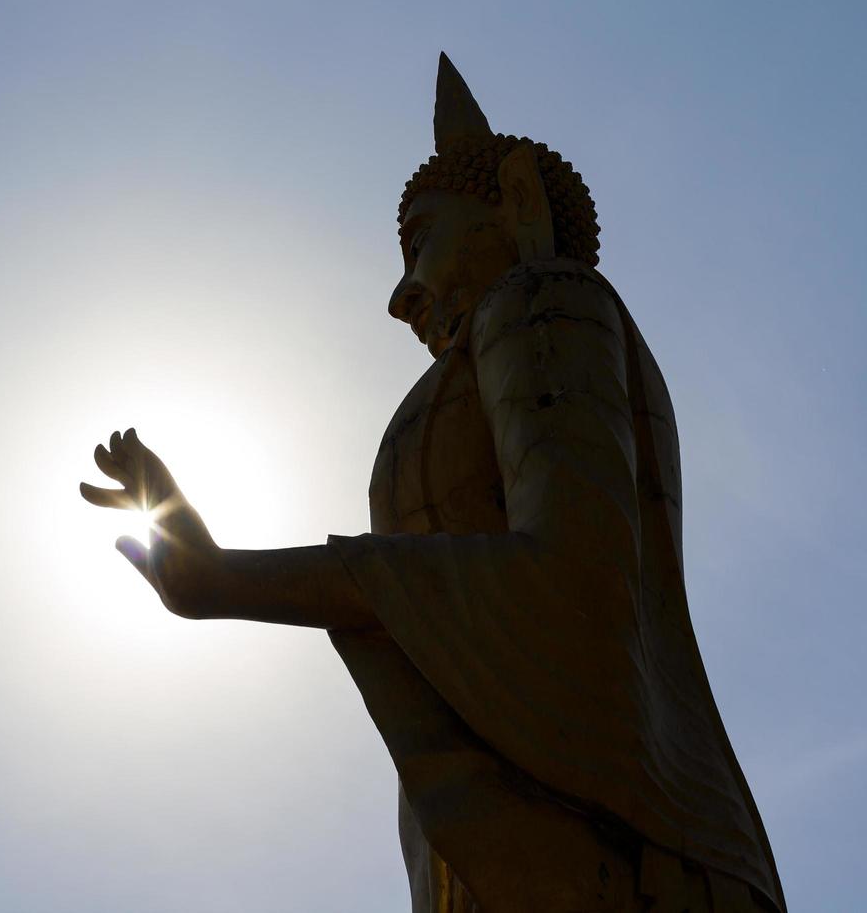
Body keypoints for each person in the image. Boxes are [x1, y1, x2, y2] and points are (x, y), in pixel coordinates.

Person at [79, 54, 786, 913]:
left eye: (421, 242)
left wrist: (228, 578)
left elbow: (571, 586)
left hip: (633, 846)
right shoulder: (493, 342)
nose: (402, 296)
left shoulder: (543, 299)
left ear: (516, 205)